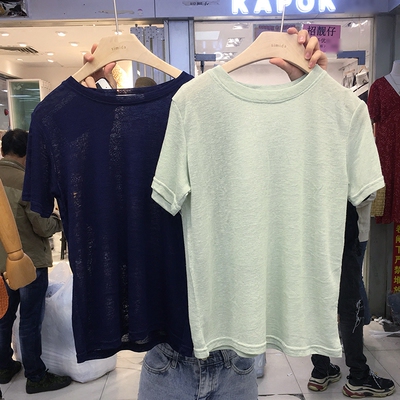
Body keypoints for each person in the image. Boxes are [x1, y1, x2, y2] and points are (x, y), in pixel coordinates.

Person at [80, 28, 330, 400]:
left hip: (235, 342)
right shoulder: (184, 105)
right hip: (168, 347)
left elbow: (294, 167)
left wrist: (309, 94)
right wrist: (89, 104)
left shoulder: (209, 107)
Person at [0, 129, 72, 394]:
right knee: (30, 320)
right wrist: (57, 220)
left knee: (4, 317)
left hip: (1, 268)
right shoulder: (26, 183)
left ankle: (3, 367)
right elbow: (42, 226)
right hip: (27, 265)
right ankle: (36, 376)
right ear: (27, 154)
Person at [307, 202, 395, 398]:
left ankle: (320, 370)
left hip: (315, 232)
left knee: (321, 299)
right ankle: (358, 376)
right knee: (349, 302)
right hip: (349, 230)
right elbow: (363, 194)